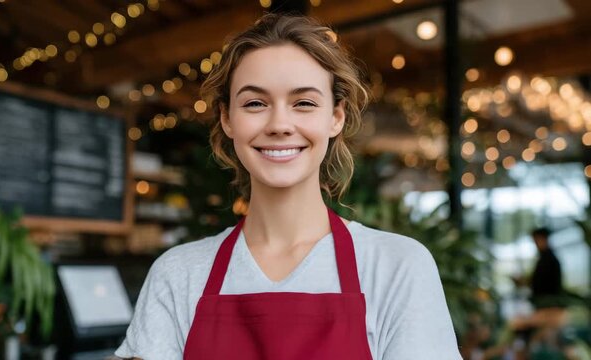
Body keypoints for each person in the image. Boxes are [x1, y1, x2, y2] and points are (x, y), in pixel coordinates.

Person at [116, 14, 461, 360]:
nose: (280, 124)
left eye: (304, 103)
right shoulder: (178, 275)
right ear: (227, 118)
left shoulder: (397, 267)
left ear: (335, 117)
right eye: (255, 103)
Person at [529, 227, 563, 308]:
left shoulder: (548, 258)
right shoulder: (545, 257)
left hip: (547, 301)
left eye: (536, 240)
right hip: (546, 300)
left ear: (543, 239)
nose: (535, 244)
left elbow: (543, 281)